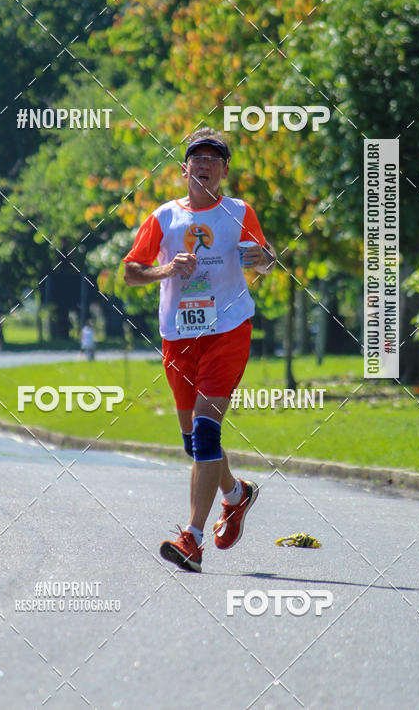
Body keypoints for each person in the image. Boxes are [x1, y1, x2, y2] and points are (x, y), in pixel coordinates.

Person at [123, 127, 276, 572]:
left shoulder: (238, 212)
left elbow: (264, 258)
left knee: (208, 432)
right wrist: (167, 268)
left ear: (225, 169)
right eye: (197, 157)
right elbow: (132, 272)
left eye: (214, 158)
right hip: (178, 337)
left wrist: (263, 259)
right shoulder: (164, 217)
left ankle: (190, 537)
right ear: (184, 167)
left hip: (228, 331)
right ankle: (236, 493)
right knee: (194, 442)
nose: (205, 164)